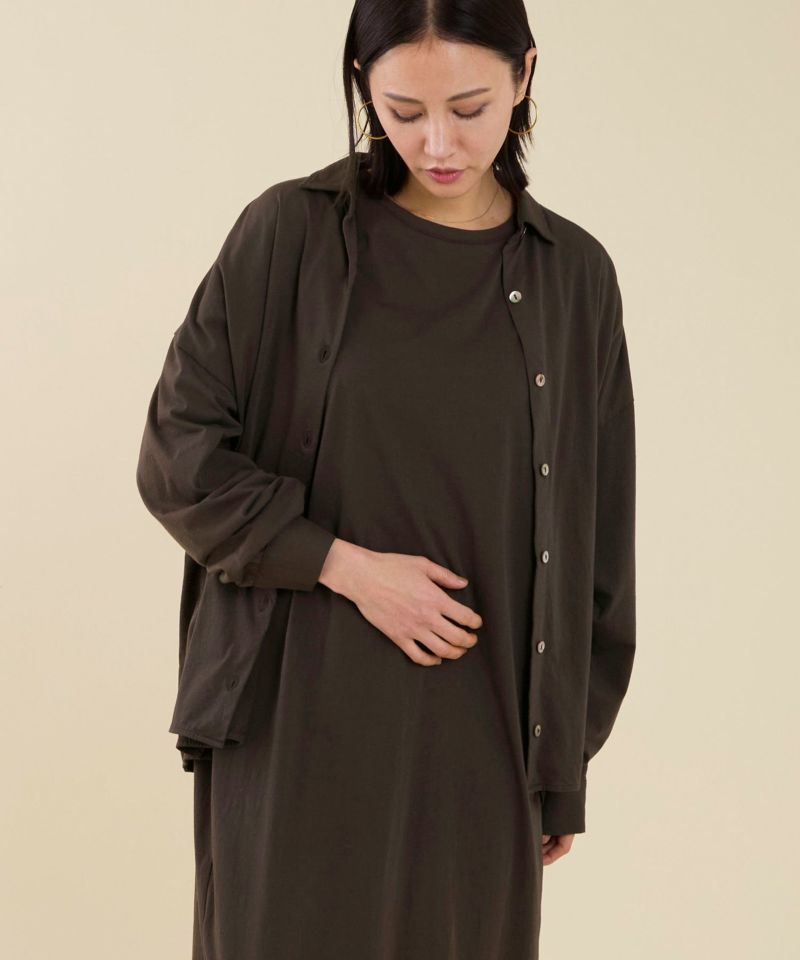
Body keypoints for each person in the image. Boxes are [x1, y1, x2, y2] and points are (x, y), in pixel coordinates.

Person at [135, 2, 636, 958]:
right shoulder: (289, 235)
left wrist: (561, 759)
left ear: (526, 76)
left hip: (483, 741)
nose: (438, 143)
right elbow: (178, 453)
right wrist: (346, 567)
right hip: (298, 721)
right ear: (364, 86)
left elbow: (597, 536)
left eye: (470, 108)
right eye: (403, 111)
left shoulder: (575, 278)